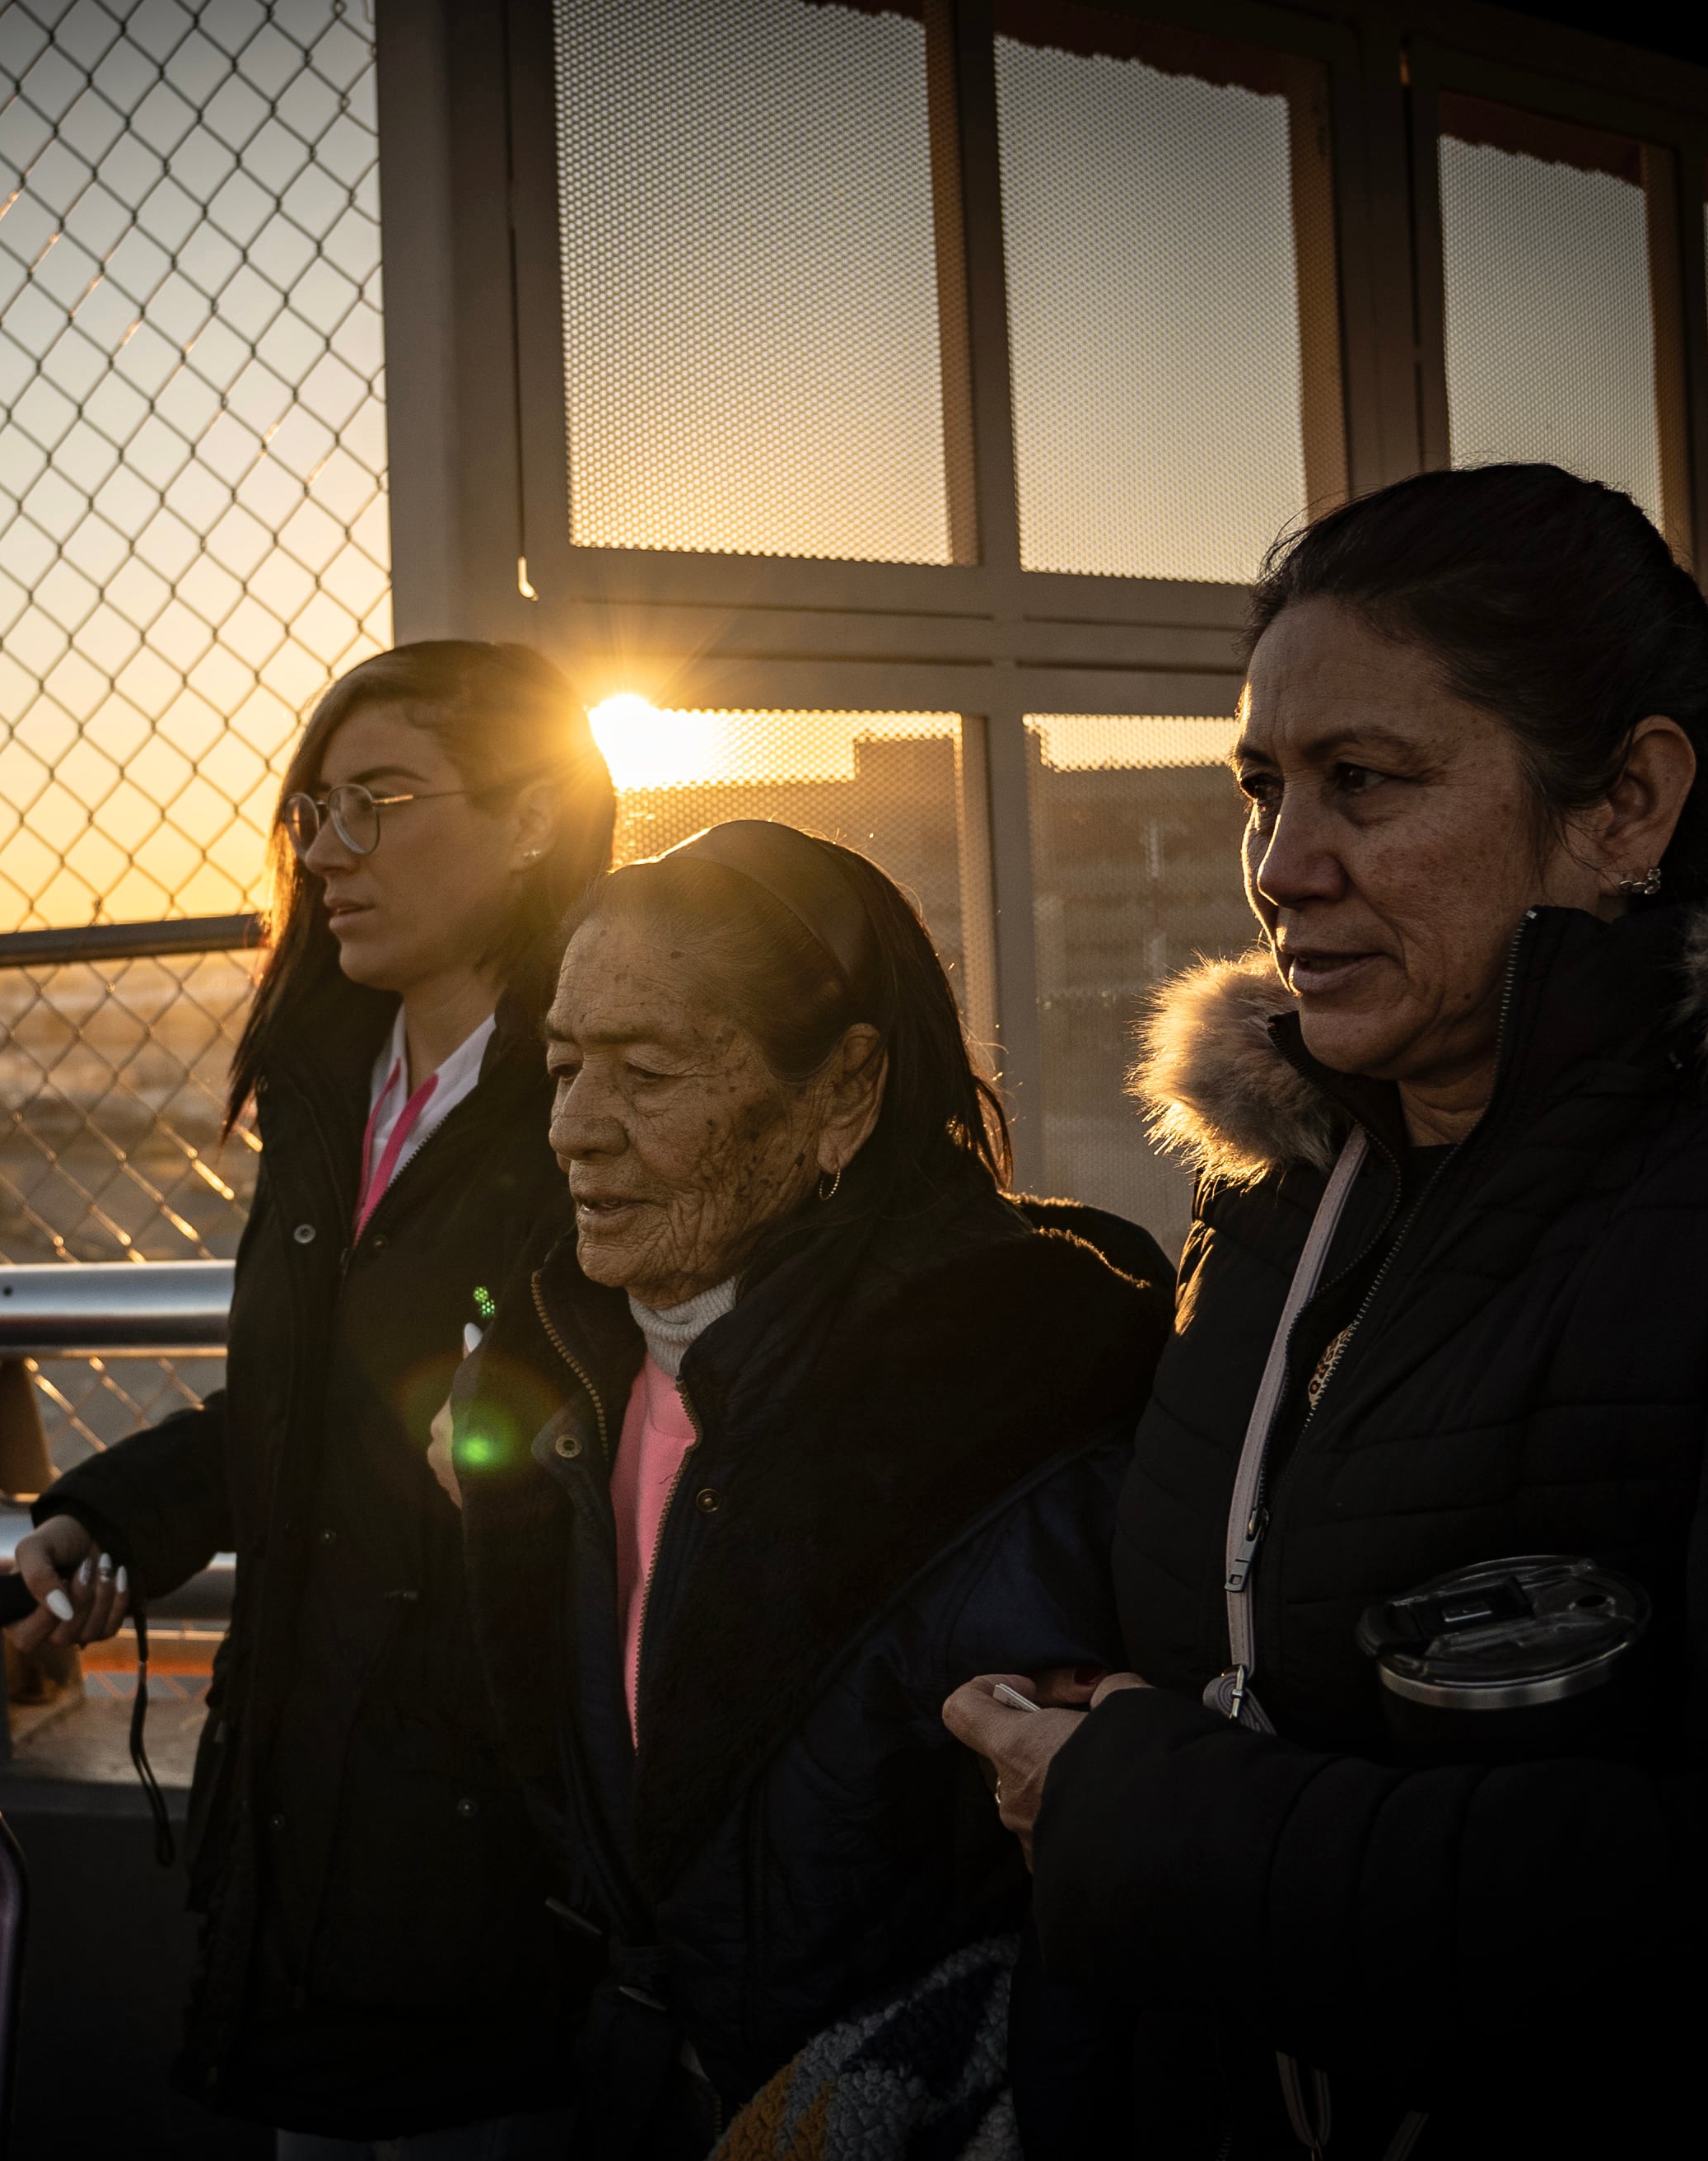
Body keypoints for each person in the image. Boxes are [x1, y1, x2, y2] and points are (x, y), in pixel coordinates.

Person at [949, 465, 1708, 2152]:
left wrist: (1154, 1822)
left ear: (1631, 803)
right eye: (1262, 788)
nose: (1283, 865)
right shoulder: (1280, 1202)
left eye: (1365, 781)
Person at [443, 821, 1172, 2159]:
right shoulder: (568, 1376)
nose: (571, 1131)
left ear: (844, 1092)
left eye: (646, 1073)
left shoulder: (1016, 1412)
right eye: (561, 1065)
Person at [5, 642, 616, 2156]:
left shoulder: (595, 1099)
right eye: (314, 810)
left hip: (488, 1845)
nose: (327, 853)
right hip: (306, 1806)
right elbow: (302, 1413)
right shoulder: (333, 1091)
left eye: (381, 804)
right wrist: (113, 1517)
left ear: (535, 816)